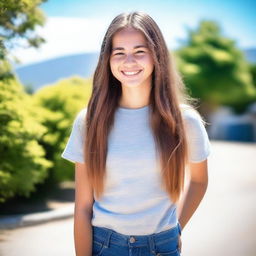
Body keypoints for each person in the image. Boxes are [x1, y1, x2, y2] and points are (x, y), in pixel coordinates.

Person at [61, 11, 211, 256]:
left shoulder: (185, 121)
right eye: (119, 52)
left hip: (163, 247)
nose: (129, 61)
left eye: (140, 51)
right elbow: (83, 208)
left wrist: (177, 228)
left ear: (157, 56)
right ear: (107, 60)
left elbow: (198, 181)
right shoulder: (89, 121)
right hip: (104, 246)